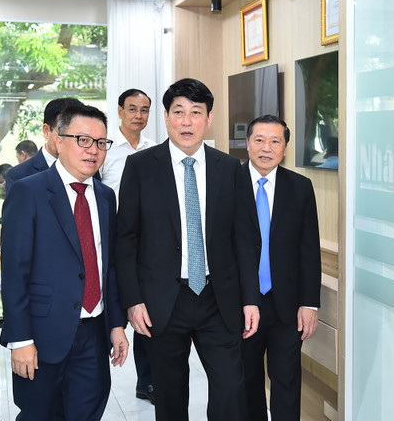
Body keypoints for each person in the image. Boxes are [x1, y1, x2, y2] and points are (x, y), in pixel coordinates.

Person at [116, 77, 260, 421]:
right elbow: (126, 238)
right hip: (163, 300)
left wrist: (250, 299)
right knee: (169, 396)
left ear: (208, 119)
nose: (186, 121)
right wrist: (133, 300)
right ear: (166, 117)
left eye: (196, 112)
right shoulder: (140, 166)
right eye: (178, 112)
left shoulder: (230, 168)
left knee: (230, 389)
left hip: (218, 299)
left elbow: (244, 239)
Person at [0, 103, 128, 420]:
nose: (93, 150)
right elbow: (14, 272)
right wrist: (20, 339)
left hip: (94, 335)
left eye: (101, 142)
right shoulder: (28, 191)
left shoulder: (105, 196)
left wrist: (116, 325)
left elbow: (109, 266)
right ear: (58, 140)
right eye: (83, 140)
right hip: (42, 335)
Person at [241, 114, 321, 421]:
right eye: (259, 140)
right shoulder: (229, 183)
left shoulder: (300, 187)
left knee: (286, 379)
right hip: (242, 303)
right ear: (247, 143)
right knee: (247, 380)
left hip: (287, 304)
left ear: (285, 148)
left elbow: (309, 249)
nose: (267, 148)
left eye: (275, 141)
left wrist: (310, 303)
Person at [100, 88, 156, 404]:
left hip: (145, 242)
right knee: (111, 306)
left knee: (147, 311)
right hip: (110, 240)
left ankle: (147, 381)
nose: (138, 115)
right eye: (132, 109)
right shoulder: (105, 150)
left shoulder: (155, 150)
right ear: (120, 111)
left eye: (144, 110)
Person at [5, 97, 83, 196]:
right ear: (46, 131)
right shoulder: (19, 175)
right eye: (65, 134)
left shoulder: (88, 170)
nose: (72, 142)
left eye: (80, 137)